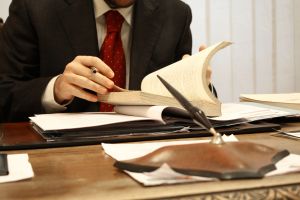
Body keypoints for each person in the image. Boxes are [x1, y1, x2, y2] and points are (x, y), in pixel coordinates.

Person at [0, 0, 211, 122]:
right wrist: (56, 89)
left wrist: (198, 85)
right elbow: (5, 93)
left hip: (146, 149)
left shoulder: (174, 13)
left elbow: (183, 107)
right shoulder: (35, 7)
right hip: (60, 155)